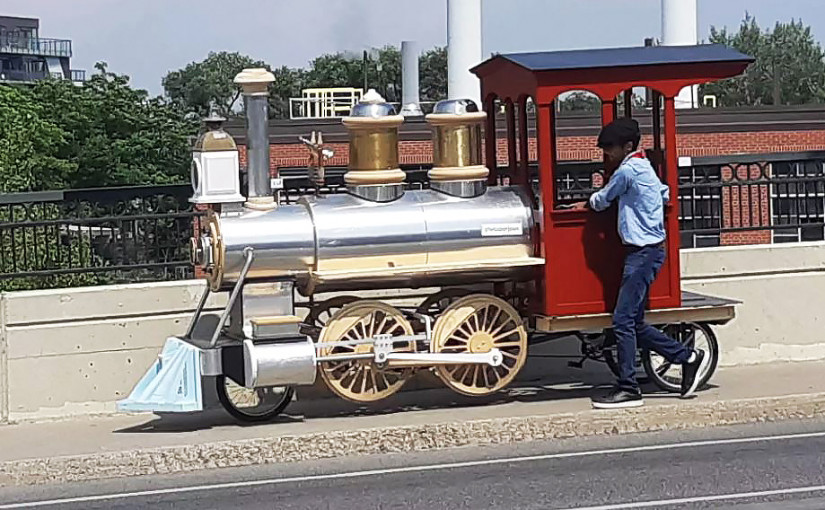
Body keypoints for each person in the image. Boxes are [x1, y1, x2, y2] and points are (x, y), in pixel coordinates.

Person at [572, 117, 708, 409]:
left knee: (622, 321)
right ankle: (687, 357)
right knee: (633, 321)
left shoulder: (629, 171)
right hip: (648, 253)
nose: (606, 154)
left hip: (642, 254)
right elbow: (664, 193)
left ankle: (629, 387)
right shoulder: (644, 167)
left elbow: (603, 200)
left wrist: (586, 203)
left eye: (610, 148)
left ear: (628, 147)